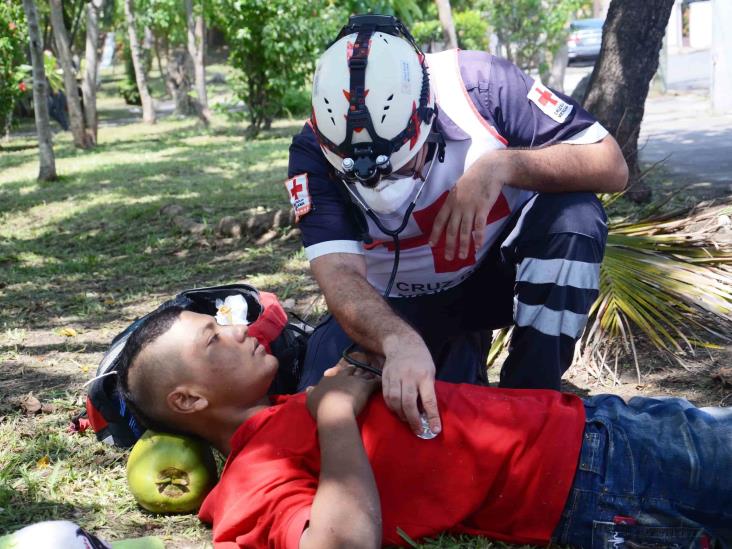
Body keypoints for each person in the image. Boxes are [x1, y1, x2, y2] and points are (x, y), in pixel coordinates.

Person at [117, 306, 731, 549]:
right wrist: (334, 416)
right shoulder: (250, 479)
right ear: (189, 398)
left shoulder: (290, 406)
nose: (236, 329)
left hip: (596, 425)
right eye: (212, 337)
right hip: (593, 477)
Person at [286, 14, 629, 437]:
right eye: (360, 175)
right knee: (329, 421)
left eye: (398, 166)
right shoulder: (310, 152)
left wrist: (502, 166)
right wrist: (395, 340)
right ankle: (454, 354)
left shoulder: (481, 84)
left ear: (427, 112)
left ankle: (533, 398)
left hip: (493, 279)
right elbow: (338, 274)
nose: (383, 185)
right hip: (392, 307)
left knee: (575, 217)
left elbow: (610, 164)